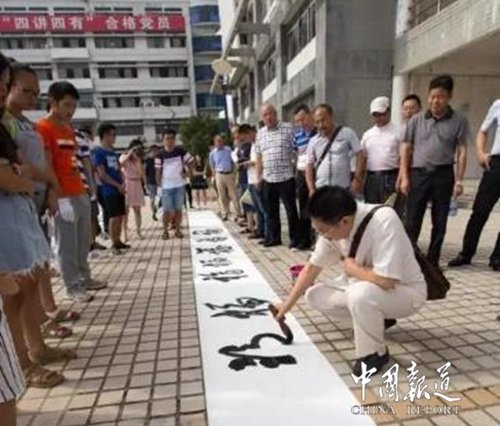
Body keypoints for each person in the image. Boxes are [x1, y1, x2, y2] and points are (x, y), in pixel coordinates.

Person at [275, 186, 427, 375]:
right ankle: (375, 319)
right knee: (314, 294)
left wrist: (354, 269)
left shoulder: (384, 220)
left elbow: (387, 281)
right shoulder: (334, 226)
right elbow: (311, 268)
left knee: (359, 294)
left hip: (405, 292)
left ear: (344, 221)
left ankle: (374, 353)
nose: (323, 236)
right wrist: (286, 306)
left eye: (323, 231)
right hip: (370, 290)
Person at [0, 54, 74, 393]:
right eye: (20, 89)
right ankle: (22, 363)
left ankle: (36, 348)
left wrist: (30, 181)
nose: (4, 90)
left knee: (28, 285)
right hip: (9, 211)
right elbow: (13, 174)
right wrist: (25, 180)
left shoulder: (14, 124)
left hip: (23, 208)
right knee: (14, 292)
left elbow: (26, 168)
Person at [36, 81, 106, 302]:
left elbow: (73, 161)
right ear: (53, 102)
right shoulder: (43, 128)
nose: (71, 111)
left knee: (83, 240)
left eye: (74, 106)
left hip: (79, 189)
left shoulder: (68, 129)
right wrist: (58, 196)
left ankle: (85, 278)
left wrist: (87, 189)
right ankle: (72, 286)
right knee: (66, 243)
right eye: (66, 105)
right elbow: (46, 164)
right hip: (61, 194)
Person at [399, 75, 469, 266]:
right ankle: (409, 259)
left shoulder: (459, 120)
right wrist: (404, 177)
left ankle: (432, 261)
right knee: (412, 219)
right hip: (419, 174)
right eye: (432, 97)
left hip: (443, 175)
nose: (435, 101)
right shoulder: (417, 120)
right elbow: (406, 148)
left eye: (440, 97)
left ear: (449, 97)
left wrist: (459, 180)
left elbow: (462, 151)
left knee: (439, 221)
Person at [448, 99, 500, 270]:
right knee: (480, 211)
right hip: (496, 164)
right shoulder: (498, 105)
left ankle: (497, 258)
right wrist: (480, 153)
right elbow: (483, 131)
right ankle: (466, 253)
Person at [255, 103, 300, 249]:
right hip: (268, 178)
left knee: (291, 210)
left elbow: (296, 150)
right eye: (265, 115)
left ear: (276, 114)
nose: (268, 117)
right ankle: (274, 238)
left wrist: (296, 168)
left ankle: (295, 238)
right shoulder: (260, 133)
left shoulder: (288, 128)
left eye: (270, 114)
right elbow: (259, 156)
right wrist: (258, 176)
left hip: (286, 177)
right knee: (271, 211)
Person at [306, 104, 364, 198]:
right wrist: (311, 189)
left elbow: (360, 155)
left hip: (342, 190)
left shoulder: (347, 133)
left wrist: (357, 180)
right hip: (321, 190)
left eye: (323, 120)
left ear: (331, 117)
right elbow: (309, 166)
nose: (320, 125)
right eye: (317, 122)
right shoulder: (313, 141)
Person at [93, 122, 129, 255]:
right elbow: (102, 174)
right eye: (111, 135)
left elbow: (118, 169)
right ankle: (113, 244)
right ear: (104, 136)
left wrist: (123, 182)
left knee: (120, 215)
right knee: (113, 216)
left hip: (119, 188)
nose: (114, 137)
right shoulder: (99, 153)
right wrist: (117, 185)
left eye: (114, 135)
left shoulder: (113, 152)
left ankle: (118, 240)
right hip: (109, 190)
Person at [361, 96, 401, 203]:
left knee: (389, 208)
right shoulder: (367, 134)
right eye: (375, 115)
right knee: (372, 208)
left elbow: (403, 157)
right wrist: (360, 179)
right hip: (371, 177)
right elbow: (363, 158)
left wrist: (400, 178)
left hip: (390, 176)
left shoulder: (398, 132)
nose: (378, 118)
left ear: (388, 111)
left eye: (380, 114)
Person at [155, 129, 193, 239]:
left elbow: (192, 161)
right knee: (167, 211)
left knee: (178, 209)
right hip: (166, 187)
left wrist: (187, 173)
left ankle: (178, 230)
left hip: (179, 185)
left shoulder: (181, 152)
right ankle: (165, 231)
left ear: (175, 139)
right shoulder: (159, 155)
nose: (170, 141)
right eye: (167, 138)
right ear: (163, 140)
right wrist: (159, 187)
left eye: (172, 138)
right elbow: (158, 172)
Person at [293, 104, 316, 250]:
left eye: (303, 119)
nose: (301, 123)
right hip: (301, 174)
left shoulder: (318, 133)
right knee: (303, 206)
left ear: (310, 115)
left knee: (317, 205)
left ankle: (317, 239)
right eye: (297, 121)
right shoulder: (297, 135)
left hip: (316, 173)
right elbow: (297, 154)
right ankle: (305, 240)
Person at [209, 134, 241, 221]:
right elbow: (212, 165)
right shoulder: (212, 153)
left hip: (229, 174)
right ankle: (225, 213)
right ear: (214, 143)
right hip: (219, 174)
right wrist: (214, 176)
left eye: (221, 141)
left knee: (233, 194)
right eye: (217, 141)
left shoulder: (228, 150)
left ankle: (238, 212)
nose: (219, 143)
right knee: (222, 195)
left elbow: (233, 161)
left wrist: (234, 173)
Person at [243, 125, 267, 240]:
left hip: (259, 179)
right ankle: (260, 230)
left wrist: (250, 163)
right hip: (251, 179)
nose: (245, 140)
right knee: (257, 208)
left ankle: (267, 232)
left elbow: (261, 160)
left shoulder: (261, 141)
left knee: (263, 208)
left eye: (245, 137)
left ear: (250, 132)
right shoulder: (253, 145)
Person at [120, 139, 145, 240]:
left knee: (137, 210)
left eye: (137, 149)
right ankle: (125, 233)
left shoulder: (138, 159)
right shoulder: (123, 156)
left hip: (137, 184)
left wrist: (137, 159)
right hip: (127, 183)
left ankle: (138, 231)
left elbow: (140, 174)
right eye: (134, 149)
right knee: (125, 211)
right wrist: (129, 154)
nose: (136, 151)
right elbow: (121, 163)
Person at [145, 145, 160, 221]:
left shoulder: (159, 159)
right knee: (152, 198)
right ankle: (154, 212)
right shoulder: (147, 160)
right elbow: (144, 172)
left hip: (159, 182)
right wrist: (145, 183)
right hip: (150, 182)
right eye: (155, 151)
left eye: (157, 151)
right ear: (151, 151)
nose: (157, 152)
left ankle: (155, 210)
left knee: (158, 198)